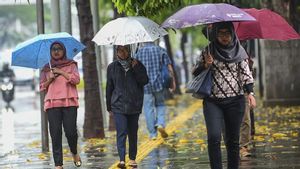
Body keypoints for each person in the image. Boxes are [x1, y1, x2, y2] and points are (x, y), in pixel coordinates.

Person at [193, 22, 256, 169]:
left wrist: (251, 93)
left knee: (232, 141)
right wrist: (205, 65)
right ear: (215, 34)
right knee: (214, 137)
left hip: (235, 101)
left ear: (232, 34)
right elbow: (195, 71)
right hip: (212, 101)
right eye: (220, 34)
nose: (224, 37)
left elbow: (246, 75)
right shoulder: (208, 50)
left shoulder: (239, 51)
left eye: (227, 33)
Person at [40, 42, 81, 169]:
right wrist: (50, 78)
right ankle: (58, 164)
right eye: (53, 49)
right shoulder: (46, 68)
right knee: (55, 133)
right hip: (52, 103)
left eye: (59, 49)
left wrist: (61, 72)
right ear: (50, 52)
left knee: (71, 132)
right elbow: (42, 87)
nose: (56, 51)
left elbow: (76, 80)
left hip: (69, 102)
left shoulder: (71, 64)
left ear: (63, 50)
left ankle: (74, 152)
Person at [106, 45, 148, 169]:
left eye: (125, 50)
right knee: (121, 131)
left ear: (129, 51)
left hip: (134, 104)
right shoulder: (112, 67)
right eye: (119, 50)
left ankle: (132, 158)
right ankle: (122, 160)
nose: (122, 52)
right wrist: (109, 105)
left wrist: (136, 68)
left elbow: (144, 81)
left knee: (132, 133)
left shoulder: (137, 64)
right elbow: (109, 87)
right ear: (116, 52)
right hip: (118, 105)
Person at [135, 42, 176, 140]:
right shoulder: (160, 50)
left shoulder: (139, 52)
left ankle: (153, 134)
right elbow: (169, 67)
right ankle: (160, 123)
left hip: (144, 85)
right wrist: (173, 81)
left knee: (148, 108)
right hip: (159, 83)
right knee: (160, 104)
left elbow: (134, 68)